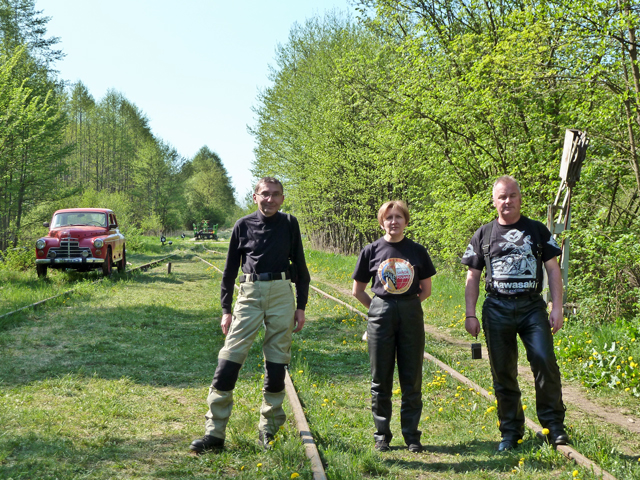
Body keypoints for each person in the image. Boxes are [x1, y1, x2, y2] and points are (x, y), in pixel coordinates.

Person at [190, 177, 310, 453]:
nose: (270, 199)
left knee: (277, 363)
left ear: (282, 198)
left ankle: (269, 430)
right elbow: (229, 271)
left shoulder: (289, 224)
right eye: (265, 194)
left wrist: (301, 306)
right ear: (255, 197)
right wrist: (226, 310)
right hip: (250, 293)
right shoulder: (242, 225)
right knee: (229, 358)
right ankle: (214, 433)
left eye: (276, 194)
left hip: (281, 294)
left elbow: (301, 268)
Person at [461, 175, 568, 452]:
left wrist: (557, 307)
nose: (507, 201)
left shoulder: (537, 230)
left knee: (545, 362)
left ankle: (554, 427)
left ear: (520, 198)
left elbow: (553, 269)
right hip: (496, 308)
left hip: (532, 308)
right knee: (503, 371)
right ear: (494, 201)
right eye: (502, 197)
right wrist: (470, 314)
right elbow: (473, 276)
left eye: (512, 195)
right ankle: (510, 432)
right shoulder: (483, 234)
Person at [352, 200, 436, 453]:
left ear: (406, 221)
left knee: (412, 378)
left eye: (398, 216)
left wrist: (406, 305)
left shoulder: (417, 251)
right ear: (381, 222)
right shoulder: (371, 250)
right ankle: (382, 435)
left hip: (411, 313)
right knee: (380, 379)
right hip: (381, 313)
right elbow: (358, 290)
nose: (394, 221)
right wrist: (378, 310)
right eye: (388, 217)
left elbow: (426, 290)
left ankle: (412, 436)